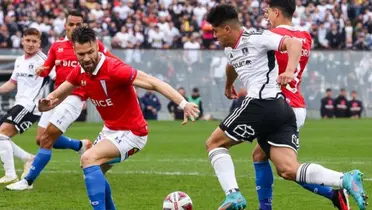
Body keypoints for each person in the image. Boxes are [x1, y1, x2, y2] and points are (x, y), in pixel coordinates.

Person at [205, 4, 367, 210]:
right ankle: (345, 179)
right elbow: (232, 62)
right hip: (285, 108)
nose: (214, 36)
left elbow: (293, 44)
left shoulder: (261, 36)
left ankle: (233, 195)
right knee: (287, 169)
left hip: (262, 102)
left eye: (215, 31)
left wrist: (289, 70)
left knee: (214, 144)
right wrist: (229, 85)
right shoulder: (303, 35)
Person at [36, 26, 200, 210]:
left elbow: (153, 82)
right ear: (75, 51)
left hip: (133, 132)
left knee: (88, 159)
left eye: (91, 52)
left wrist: (183, 103)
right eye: (81, 54)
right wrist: (48, 102)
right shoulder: (79, 72)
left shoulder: (114, 69)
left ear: (97, 47)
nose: (87, 58)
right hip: (110, 131)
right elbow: (57, 95)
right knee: (92, 170)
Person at [252, 1, 349, 209]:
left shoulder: (272, 36)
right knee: (263, 157)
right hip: (296, 104)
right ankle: (334, 195)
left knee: (287, 168)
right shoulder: (305, 37)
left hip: (279, 107)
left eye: (268, 12)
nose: (267, 16)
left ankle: (337, 188)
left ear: (277, 12)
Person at [6, 10, 116, 191]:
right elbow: (47, 66)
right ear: (65, 26)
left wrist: (129, 78)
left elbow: (112, 61)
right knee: (41, 139)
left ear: (83, 26)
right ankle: (80, 145)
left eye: (77, 25)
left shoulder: (91, 46)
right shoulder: (57, 47)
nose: (74, 28)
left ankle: (27, 181)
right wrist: (42, 69)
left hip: (75, 97)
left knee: (48, 138)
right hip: (55, 97)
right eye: (70, 24)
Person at [0, 28, 53, 184]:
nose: (30, 44)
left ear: (39, 44)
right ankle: (28, 158)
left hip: (31, 106)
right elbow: (12, 84)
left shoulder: (44, 61)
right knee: (1, 137)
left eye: (34, 41)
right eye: (28, 40)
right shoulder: (19, 61)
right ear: (22, 40)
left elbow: (61, 77)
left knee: (2, 135)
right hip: (19, 103)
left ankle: (10, 174)